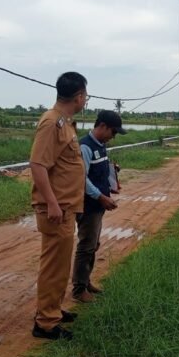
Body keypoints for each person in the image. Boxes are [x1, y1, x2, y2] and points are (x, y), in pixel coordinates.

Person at [28, 71, 89, 341]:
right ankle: (46, 323)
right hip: (56, 210)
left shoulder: (64, 122)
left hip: (66, 208)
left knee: (60, 265)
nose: (85, 100)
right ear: (78, 96)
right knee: (54, 266)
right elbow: (38, 165)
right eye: (85, 95)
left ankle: (52, 308)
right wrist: (52, 203)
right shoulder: (51, 123)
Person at [71, 110, 126, 302]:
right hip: (88, 206)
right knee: (86, 246)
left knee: (93, 244)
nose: (113, 136)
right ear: (102, 126)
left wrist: (112, 176)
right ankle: (79, 290)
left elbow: (98, 169)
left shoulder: (100, 146)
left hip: (97, 206)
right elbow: (80, 179)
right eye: (113, 132)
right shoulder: (85, 147)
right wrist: (101, 197)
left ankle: (85, 282)